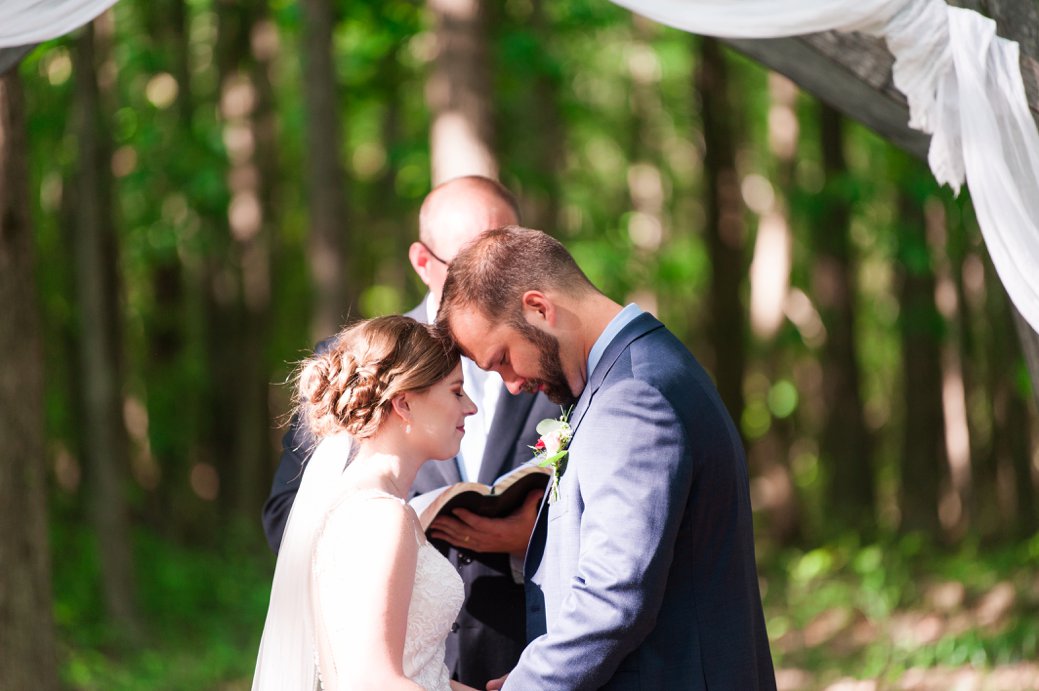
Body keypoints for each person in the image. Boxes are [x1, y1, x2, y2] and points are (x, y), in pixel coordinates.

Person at [437, 226, 777, 690]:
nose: (512, 384)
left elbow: (614, 595)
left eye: (502, 360)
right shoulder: (640, 367)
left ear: (539, 308)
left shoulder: (632, 396)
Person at [261, 176, 559, 686]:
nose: (495, 284)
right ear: (424, 262)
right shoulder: (381, 511)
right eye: (469, 265)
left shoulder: (550, 365)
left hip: (513, 646)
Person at [252, 316, 480, 690]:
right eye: (456, 391)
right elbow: (375, 681)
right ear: (404, 403)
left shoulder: (373, 506)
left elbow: (423, 673)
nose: (469, 407)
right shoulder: (380, 518)